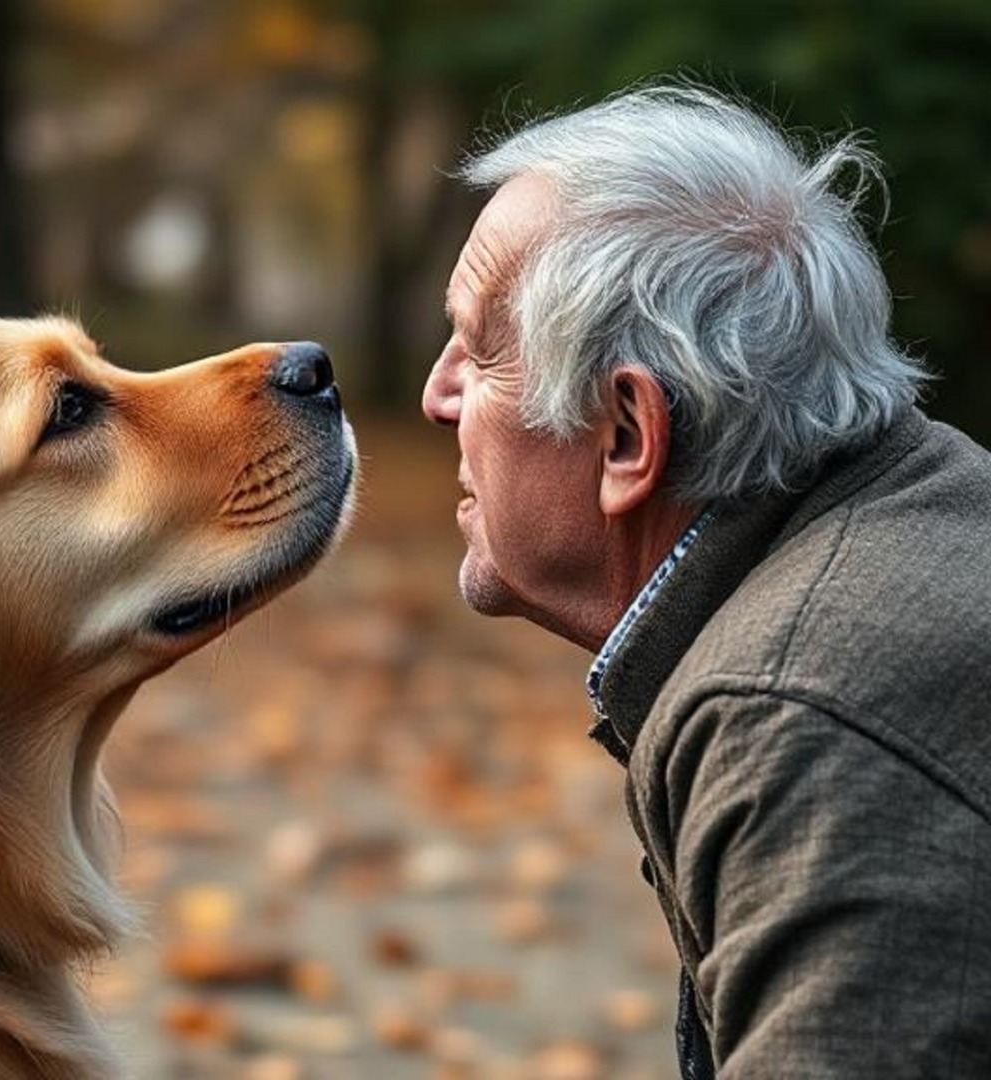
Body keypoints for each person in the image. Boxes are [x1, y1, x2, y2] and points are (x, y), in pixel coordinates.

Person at [421, 84, 991, 1078]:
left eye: (480, 350)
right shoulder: (925, 511)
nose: (438, 395)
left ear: (627, 436)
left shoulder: (797, 719)